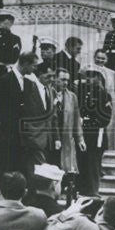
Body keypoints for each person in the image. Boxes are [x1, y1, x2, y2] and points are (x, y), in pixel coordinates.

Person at [0, 50, 39, 174]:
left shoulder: (29, 83)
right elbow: (2, 108)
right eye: (33, 65)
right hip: (8, 134)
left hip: (22, 137)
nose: (35, 68)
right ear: (25, 63)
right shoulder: (4, 80)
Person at [76, 69, 113, 196]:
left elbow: (105, 118)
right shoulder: (82, 92)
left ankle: (92, 191)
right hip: (84, 134)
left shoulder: (104, 95)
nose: (89, 79)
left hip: (96, 135)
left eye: (92, 76)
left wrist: (88, 121)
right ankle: (82, 190)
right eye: (88, 76)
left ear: (99, 78)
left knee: (93, 165)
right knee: (82, 163)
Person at [51, 66, 84, 200]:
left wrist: (80, 139)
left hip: (66, 138)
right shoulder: (48, 92)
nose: (65, 83)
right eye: (62, 79)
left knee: (67, 169)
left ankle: (66, 196)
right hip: (51, 137)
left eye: (67, 80)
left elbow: (76, 120)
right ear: (55, 79)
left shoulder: (72, 97)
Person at [84, 48, 115, 151]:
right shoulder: (87, 69)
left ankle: (103, 149)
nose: (100, 60)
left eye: (103, 58)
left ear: (107, 60)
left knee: (106, 131)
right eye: (98, 58)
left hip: (107, 105)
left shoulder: (112, 73)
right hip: (92, 105)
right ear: (94, 58)